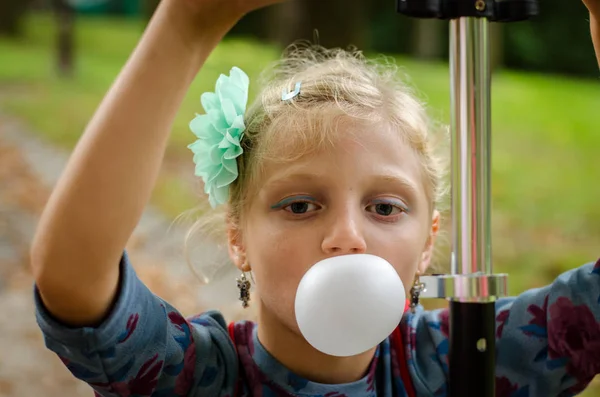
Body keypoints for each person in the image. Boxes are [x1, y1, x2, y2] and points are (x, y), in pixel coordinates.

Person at [30, 0, 600, 396]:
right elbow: (73, 278)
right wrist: (186, 24)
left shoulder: (467, 361)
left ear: (427, 245)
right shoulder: (197, 376)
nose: (348, 237)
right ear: (237, 238)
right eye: (300, 205)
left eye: (384, 207)